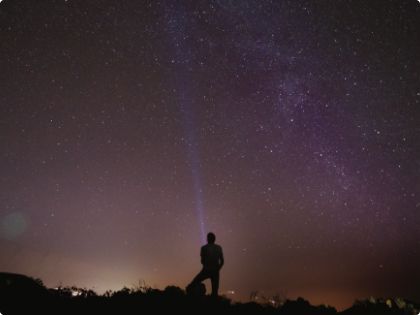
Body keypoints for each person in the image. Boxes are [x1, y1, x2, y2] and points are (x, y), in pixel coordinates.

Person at [189, 232, 224, 297]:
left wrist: (206, 265)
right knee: (215, 291)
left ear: (207, 239)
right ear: (214, 239)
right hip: (215, 271)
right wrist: (218, 269)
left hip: (206, 269)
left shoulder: (204, 248)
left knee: (193, 284)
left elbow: (202, 261)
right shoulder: (219, 247)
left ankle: (193, 297)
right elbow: (222, 261)